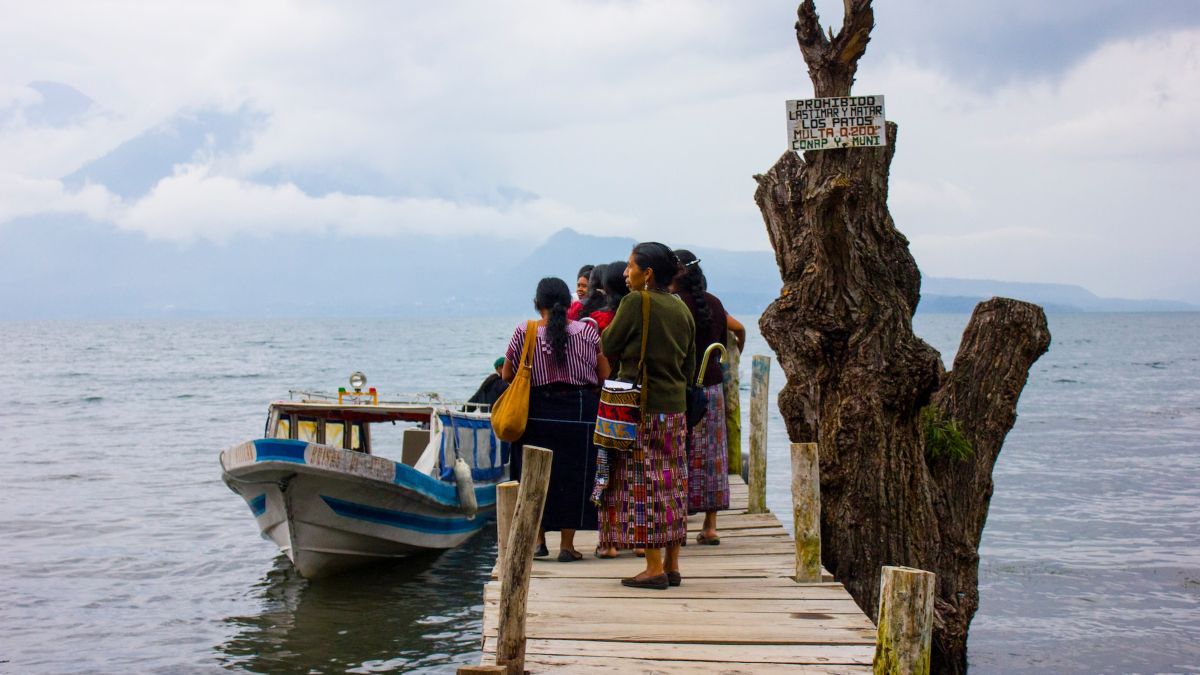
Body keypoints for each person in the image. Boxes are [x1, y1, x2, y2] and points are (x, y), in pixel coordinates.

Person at [597, 242, 695, 589]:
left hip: (641, 405)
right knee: (673, 481)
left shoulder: (636, 301)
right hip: (676, 409)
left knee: (644, 481)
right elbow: (690, 362)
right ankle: (672, 563)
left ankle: (653, 568)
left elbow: (607, 345)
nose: (626, 273)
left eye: (630, 266)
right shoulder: (682, 308)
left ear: (647, 273)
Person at [503, 277, 609, 561]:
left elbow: (507, 375)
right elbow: (604, 375)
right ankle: (567, 545)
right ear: (569, 302)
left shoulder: (525, 331)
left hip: (535, 411)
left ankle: (538, 542)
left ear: (538, 304)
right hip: (578, 410)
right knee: (574, 476)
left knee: (533, 476)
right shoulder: (587, 333)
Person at [670, 249, 746, 545]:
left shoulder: (675, 306)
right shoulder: (713, 303)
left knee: (679, 454)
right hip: (713, 388)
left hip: (683, 389)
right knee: (713, 455)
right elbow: (739, 330)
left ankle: (677, 524)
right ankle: (711, 525)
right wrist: (729, 358)